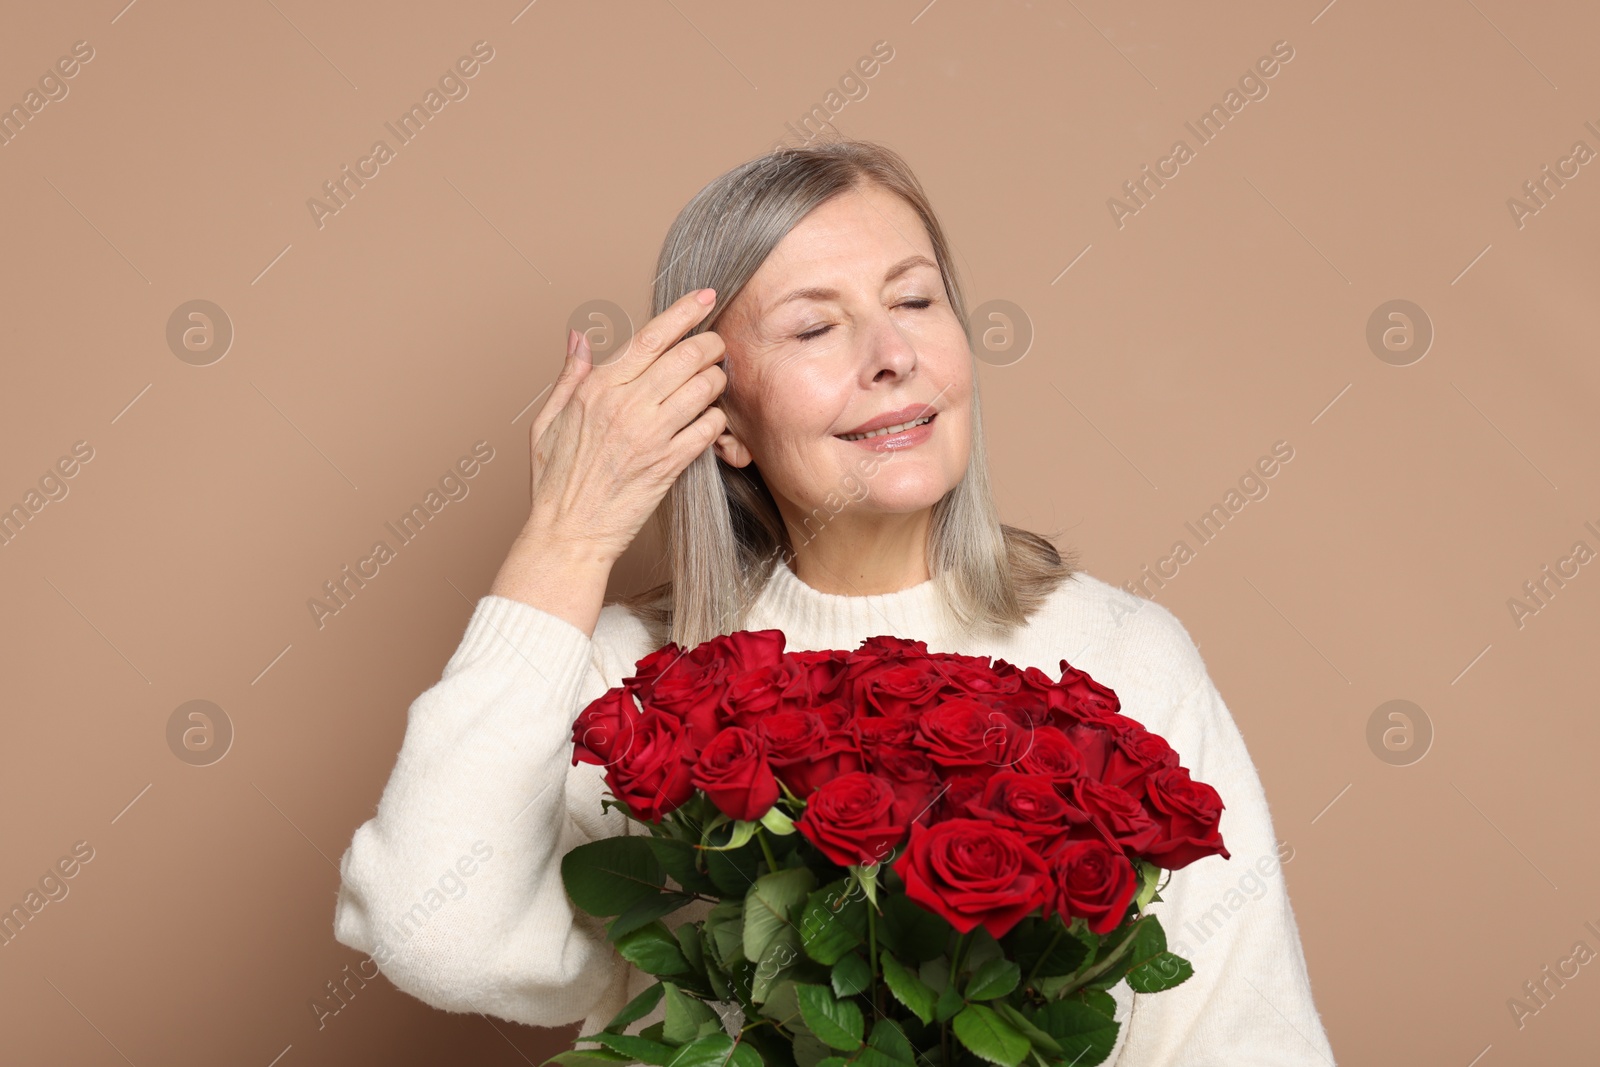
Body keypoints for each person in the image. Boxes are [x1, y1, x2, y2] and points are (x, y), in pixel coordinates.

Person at [332, 140, 1336, 1064]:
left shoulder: (1122, 652)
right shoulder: (622, 689)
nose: (890, 353)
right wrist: (566, 537)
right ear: (719, 419)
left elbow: (1247, 1035)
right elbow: (434, 932)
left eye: (913, 301)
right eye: (814, 324)